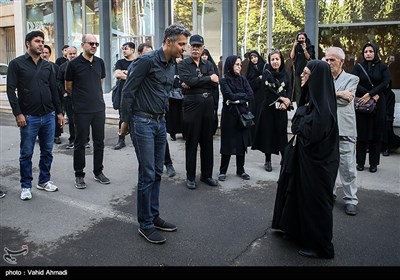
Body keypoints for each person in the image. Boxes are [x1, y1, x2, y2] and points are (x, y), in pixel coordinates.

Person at [120, 24, 191, 244]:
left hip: (160, 123)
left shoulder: (172, 65)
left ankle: (153, 215)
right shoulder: (146, 61)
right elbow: (128, 91)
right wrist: (124, 123)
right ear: (168, 42)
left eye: (185, 44)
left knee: (157, 173)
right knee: (148, 173)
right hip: (141, 122)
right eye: (181, 44)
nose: (184, 48)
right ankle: (145, 224)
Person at [272, 60, 339, 259]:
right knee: (300, 197)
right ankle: (297, 232)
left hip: (318, 166)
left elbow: (309, 131)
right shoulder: (312, 101)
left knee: (316, 203)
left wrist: (299, 119)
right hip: (305, 161)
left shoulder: (323, 108)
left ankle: (321, 247)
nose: (302, 75)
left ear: (316, 78)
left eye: (306, 73)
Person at [7, 30, 64, 200]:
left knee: (47, 151)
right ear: (27, 44)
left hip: (48, 116)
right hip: (29, 117)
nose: (41, 44)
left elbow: (54, 90)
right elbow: (11, 90)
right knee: (26, 153)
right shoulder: (16, 64)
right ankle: (26, 186)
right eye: (37, 41)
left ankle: (44, 180)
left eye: (42, 41)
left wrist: (60, 112)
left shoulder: (48, 65)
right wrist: (18, 114)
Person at [65, 34, 110, 189]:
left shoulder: (100, 62)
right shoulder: (73, 64)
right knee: (80, 143)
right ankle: (79, 174)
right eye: (91, 43)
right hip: (81, 110)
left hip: (98, 108)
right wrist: (81, 97)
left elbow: (100, 82)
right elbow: (68, 86)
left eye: (96, 43)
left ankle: (98, 172)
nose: (94, 46)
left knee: (99, 142)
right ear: (83, 44)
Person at [178, 34, 219, 189]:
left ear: (203, 49)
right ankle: (190, 177)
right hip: (192, 107)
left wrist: (196, 83)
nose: (195, 49)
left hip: (208, 106)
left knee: (207, 142)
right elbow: (189, 81)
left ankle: (206, 175)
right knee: (192, 142)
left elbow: (215, 83)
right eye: (193, 46)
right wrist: (208, 79)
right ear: (189, 48)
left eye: (198, 47)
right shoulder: (183, 64)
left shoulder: (207, 64)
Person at [325, 46, 360, 216]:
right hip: (326, 129)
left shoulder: (352, 78)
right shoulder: (323, 78)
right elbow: (319, 98)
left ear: (341, 61)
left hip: (345, 129)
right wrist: (339, 94)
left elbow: (346, 102)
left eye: (332, 60)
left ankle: (351, 199)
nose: (329, 62)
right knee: (328, 164)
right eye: (327, 59)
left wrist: (329, 95)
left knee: (347, 167)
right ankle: (329, 194)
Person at [351, 42, 391, 173]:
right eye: (366, 52)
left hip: (379, 104)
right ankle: (360, 163)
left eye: (370, 51)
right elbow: (354, 82)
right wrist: (367, 95)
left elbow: (386, 83)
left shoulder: (383, 67)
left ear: (375, 52)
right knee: (361, 134)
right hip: (362, 103)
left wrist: (373, 94)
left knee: (376, 134)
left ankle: (374, 164)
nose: (368, 54)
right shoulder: (358, 67)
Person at [252, 50, 292, 172]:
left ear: (281, 60)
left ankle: (284, 158)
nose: (275, 62)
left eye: (277, 59)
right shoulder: (266, 74)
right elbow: (268, 91)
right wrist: (281, 98)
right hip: (268, 109)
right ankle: (267, 160)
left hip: (281, 110)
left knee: (281, 134)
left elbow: (290, 90)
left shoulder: (286, 74)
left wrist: (287, 102)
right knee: (268, 134)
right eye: (272, 59)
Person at [218, 55, 253, 181]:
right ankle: (223, 171)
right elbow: (229, 96)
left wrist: (237, 99)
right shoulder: (224, 80)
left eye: (240, 65)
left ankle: (240, 170)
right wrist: (239, 98)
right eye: (236, 64)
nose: (239, 67)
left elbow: (250, 95)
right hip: (229, 116)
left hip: (242, 116)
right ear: (230, 65)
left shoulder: (243, 80)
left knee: (241, 144)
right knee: (227, 143)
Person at [113, 42, 135, 150]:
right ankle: (121, 139)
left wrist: (125, 74)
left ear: (133, 50)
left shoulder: (137, 62)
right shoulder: (120, 62)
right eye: (123, 49)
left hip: (135, 94)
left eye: (126, 48)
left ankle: (137, 139)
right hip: (122, 94)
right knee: (122, 117)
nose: (124, 50)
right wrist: (132, 77)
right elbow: (117, 74)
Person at [41, 44, 63, 145]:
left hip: (55, 96)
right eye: (43, 52)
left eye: (46, 53)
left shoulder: (55, 67)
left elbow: (59, 81)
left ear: (50, 54)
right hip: (42, 97)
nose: (44, 54)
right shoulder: (37, 67)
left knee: (56, 116)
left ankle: (56, 135)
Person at [289, 32, 315, 105]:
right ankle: (299, 105)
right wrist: (294, 46)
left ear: (306, 39)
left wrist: (304, 49)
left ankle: (307, 104)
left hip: (306, 71)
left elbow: (308, 57)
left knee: (306, 88)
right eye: (299, 38)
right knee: (298, 90)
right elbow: (291, 57)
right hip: (297, 70)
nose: (301, 40)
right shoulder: (296, 47)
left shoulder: (309, 46)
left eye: (302, 38)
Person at [245, 50, 265, 136]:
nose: (254, 59)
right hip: (253, 97)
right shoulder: (249, 69)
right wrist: (258, 79)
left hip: (264, 96)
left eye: (255, 57)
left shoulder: (265, 67)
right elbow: (248, 84)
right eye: (252, 58)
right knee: (254, 115)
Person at [201, 48, 220, 135]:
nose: (204, 57)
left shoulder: (212, 66)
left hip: (212, 93)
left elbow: (216, 81)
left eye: (206, 55)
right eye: (203, 55)